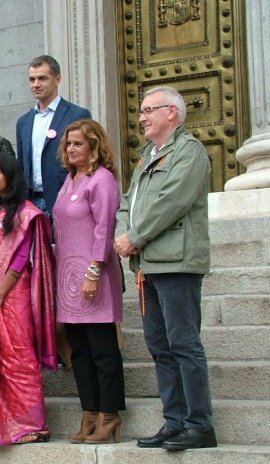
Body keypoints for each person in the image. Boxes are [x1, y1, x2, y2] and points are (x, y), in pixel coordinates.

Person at [115, 86, 217, 450]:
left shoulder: (188, 152)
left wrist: (135, 236)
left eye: (148, 110)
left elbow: (171, 201)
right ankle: (174, 421)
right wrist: (122, 232)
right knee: (160, 345)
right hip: (150, 265)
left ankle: (199, 424)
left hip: (177, 262)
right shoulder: (147, 155)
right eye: (141, 110)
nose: (141, 117)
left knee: (183, 343)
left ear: (171, 112)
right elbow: (130, 201)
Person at [0, 154, 57, 448]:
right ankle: (5, 423)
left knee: (19, 359)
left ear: (10, 176)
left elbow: (21, 258)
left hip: (13, 295)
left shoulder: (26, 214)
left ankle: (35, 424)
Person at [53, 120, 125, 444]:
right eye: (68, 144)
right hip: (67, 279)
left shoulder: (102, 179)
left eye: (78, 144)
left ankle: (110, 416)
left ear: (94, 146)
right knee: (78, 350)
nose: (71, 150)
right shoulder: (69, 180)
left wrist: (93, 272)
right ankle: (90, 413)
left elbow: (104, 230)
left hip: (92, 276)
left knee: (102, 349)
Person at [16, 55, 91, 217]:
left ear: (57, 79)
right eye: (32, 79)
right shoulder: (23, 122)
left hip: (66, 200)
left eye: (42, 78)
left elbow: (87, 160)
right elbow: (21, 166)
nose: (36, 84)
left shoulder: (77, 115)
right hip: (31, 204)